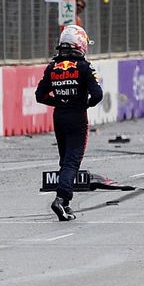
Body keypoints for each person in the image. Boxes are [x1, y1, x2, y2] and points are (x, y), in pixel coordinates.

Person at [35, 24, 103, 221]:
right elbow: (97, 95)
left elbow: (40, 96)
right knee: (72, 161)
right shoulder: (84, 67)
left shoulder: (52, 67)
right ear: (79, 44)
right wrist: (84, 104)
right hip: (77, 117)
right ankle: (61, 198)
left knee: (65, 160)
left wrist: (58, 101)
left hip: (59, 117)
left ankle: (65, 204)